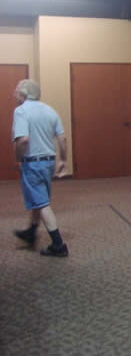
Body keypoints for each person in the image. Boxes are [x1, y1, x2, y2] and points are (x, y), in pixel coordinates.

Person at [12, 79, 69, 257]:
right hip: (49, 162)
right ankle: (31, 232)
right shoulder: (50, 110)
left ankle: (59, 245)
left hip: (33, 163)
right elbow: (62, 138)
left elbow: (23, 140)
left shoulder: (21, 111)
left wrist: (17, 158)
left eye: (16, 91)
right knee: (40, 198)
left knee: (42, 204)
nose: (14, 94)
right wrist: (63, 160)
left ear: (24, 94)